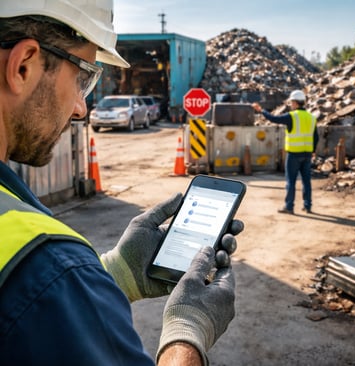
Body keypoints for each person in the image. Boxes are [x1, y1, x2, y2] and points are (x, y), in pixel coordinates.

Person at [0, 1, 244, 365]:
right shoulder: (46, 268)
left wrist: (117, 273)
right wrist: (188, 333)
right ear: (23, 65)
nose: (82, 107)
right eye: (83, 77)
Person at [252, 90, 319, 214]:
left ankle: (289, 206)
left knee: (291, 181)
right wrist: (313, 150)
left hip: (294, 154)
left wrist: (261, 110)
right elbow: (316, 137)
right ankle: (308, 205)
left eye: (292, 102)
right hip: (307, 154)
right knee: (306, 181)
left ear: (294, 102)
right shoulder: (311, 118)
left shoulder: (292, 116)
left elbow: (274, 119)